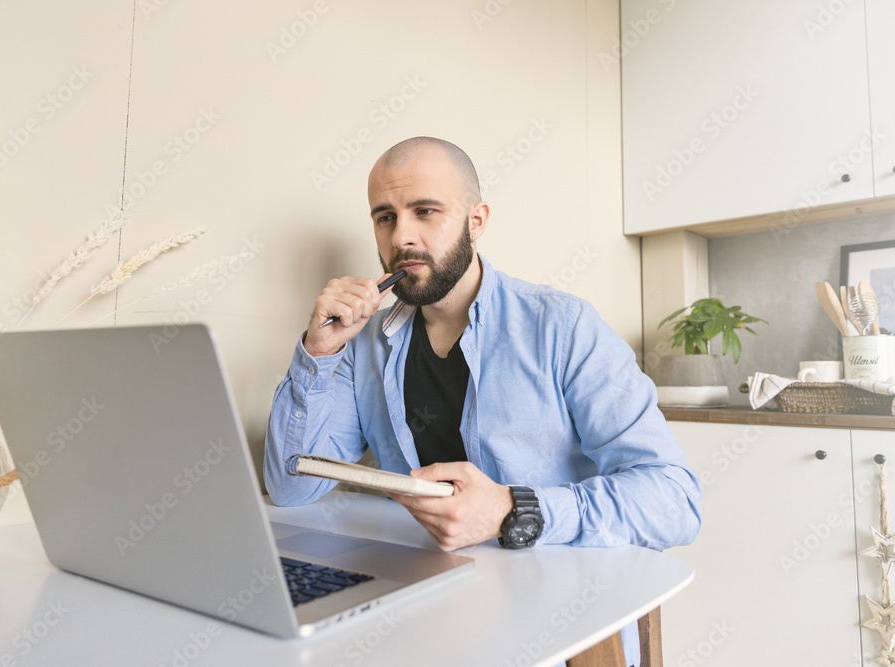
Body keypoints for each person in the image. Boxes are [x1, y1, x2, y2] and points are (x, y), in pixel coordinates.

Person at [264, 137, 701, 666]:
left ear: (476, 221)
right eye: (385, 217)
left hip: (559, 622)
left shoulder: (563, 327)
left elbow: (674, 501)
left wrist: (514, 511)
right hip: (427, 618)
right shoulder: (361, 345)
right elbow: (290, 488)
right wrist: (318, 353)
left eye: (426, 211)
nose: (401, 237)